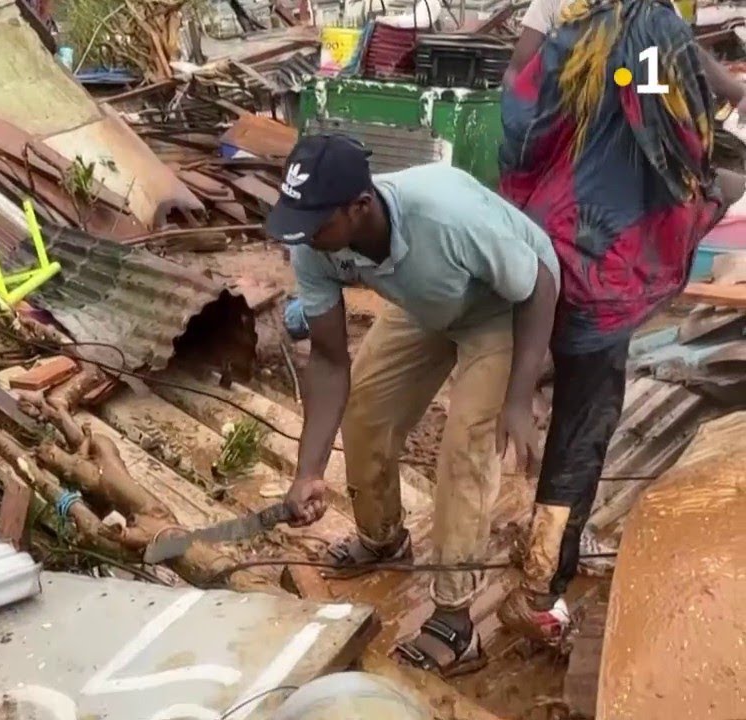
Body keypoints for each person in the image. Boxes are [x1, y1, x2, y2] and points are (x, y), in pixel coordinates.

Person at [269, 132, 560, 676]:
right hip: (429, 304)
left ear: (360, 207)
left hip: (503, 308)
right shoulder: (315, 242)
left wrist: (519, 398)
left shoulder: (444, 215)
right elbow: (331, 361)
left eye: (314, 224)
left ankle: (456, 619)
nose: (302, 237)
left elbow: (540, 283)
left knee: (467, 446)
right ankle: (383, 539)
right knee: (367, 411)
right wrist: (309, 472)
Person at [498, 0, 741, 643]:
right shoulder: (650, 31)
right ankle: (538, 591)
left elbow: (519, 96)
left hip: (541, 230)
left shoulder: (570, 27)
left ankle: (519, 551)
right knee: (585, 422)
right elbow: (671, 120)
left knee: (545, 394)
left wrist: (610, 89)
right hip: (604, 255)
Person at [507, 0, 746, 117]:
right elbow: (517, 72)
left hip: (636, 141)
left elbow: (686, 51)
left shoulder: (654, 8)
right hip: (583, 141)